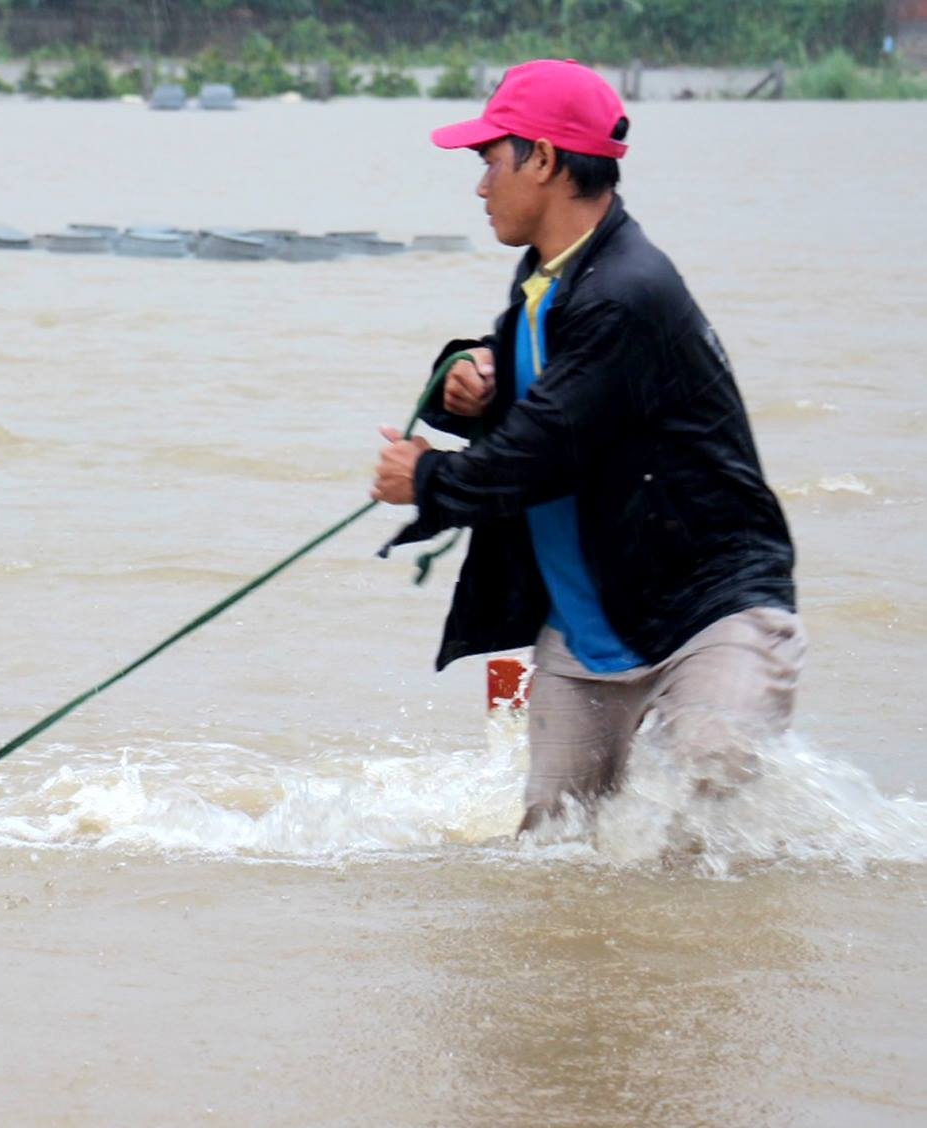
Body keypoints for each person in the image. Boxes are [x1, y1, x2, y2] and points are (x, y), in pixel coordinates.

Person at [369, 60, 801, 833]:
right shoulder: (546, 278)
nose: (479, 185)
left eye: (488, 159)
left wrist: (428, 477)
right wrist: (472, 384)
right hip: (591, 618)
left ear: (542, 159)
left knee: (710, 797)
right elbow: (563, 405)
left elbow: (546, 446)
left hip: (709, 608)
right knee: (552, 851)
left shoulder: (629, 291)